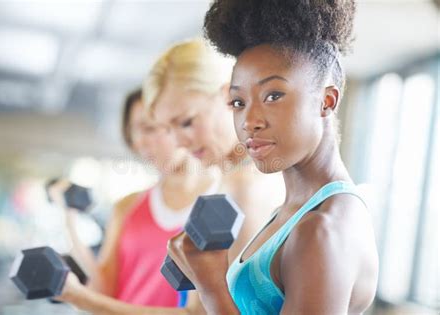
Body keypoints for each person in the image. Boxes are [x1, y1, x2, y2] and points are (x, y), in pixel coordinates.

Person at [166, 1, 379, 314]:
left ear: (326, 100)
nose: (249, 120)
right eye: (238, 102)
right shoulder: (292, 211)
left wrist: (211, 286)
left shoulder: (322, 228)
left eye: (273, 96)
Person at [49, 88, 217, 314]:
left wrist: (79, 298)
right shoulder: (127, 207)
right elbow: (104, 291)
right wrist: (69, 220)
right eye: (134, 133)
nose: (140, 143)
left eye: (148, 128)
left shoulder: (223, 201)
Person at [143, 39, 283, 262]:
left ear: (229, 97)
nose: (179, 142)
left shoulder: (242, 188)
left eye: (186, 122)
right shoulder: (231, 181)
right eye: (169, 129)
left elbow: (229, 298)